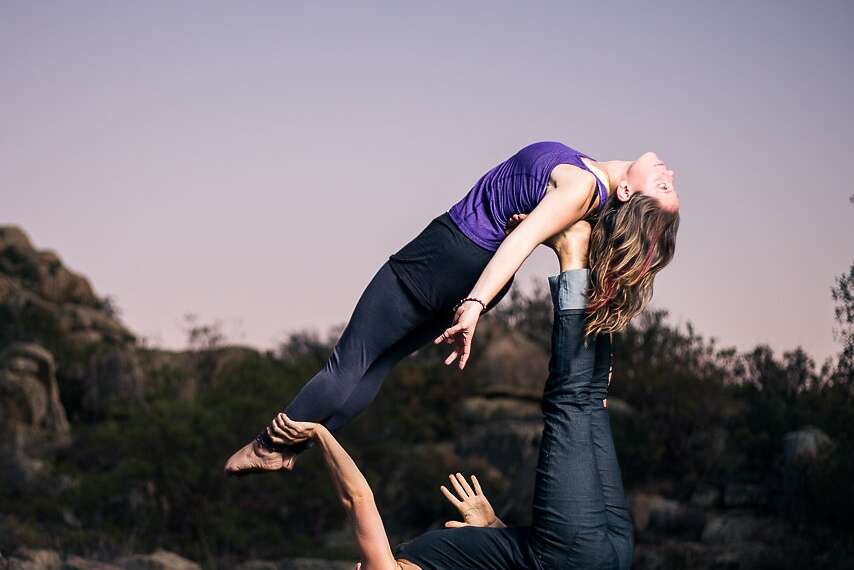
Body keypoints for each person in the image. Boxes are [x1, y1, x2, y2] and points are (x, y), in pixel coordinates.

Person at [225, 140, 679, 474]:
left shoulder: (582, 187)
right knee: (377, 366)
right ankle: (292, 450)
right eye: (668, 182)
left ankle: (268, 445)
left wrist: (475, 305)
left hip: (447, 259)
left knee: (351, 360)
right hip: (466, 268)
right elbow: (531, 227)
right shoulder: (589, 192)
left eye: (661, 184)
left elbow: (521, 239)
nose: (670, 172)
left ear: (627, 195)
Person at [264, 221, 634, 569]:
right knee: (569, 402)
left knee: (589, 402)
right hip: (568, 553)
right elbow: (357, 499)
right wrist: (317, 432)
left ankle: (597, 269)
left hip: (607, 552)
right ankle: (573, 256)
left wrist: (493, 528)